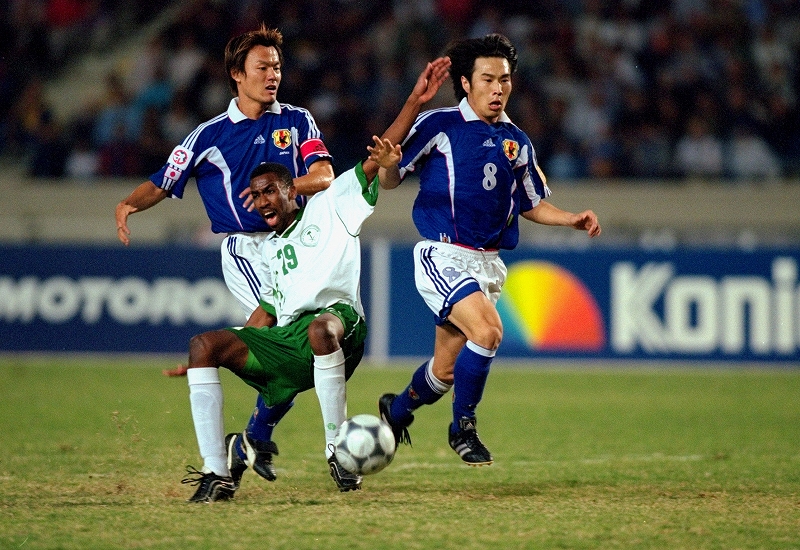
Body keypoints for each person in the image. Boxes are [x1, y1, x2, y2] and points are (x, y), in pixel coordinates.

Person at [180, 57, 452, 502]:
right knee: (203, 345)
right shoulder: (268, 249)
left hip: (342, 328)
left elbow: (375, 159)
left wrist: (412, 102)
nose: (262, 201)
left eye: (270, 191)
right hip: (291, 343)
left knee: (319, 326)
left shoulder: (334, 203)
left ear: (293, 189)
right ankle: (217, 473)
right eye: (256, 195)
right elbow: (269, 310)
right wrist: (212, 359)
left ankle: (337, 452)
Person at [377, 34, 601, 467]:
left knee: (443, 373)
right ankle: (462, 427)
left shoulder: (516, 140)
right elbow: (391, 179)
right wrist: (387, 167)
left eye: (505, 80)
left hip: (488, 264)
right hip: (443, 254)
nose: (498, 88)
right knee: (489, 331)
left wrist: (570, 218)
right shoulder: (439, 126)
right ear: (465, 82)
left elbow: (532, 203)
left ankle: (397, 410)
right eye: (488, 79)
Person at [115, 23, 335, 319]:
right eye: (263, 68)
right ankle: (212, 355)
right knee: (282, 324)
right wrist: (128, 204)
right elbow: (161, 183)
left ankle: (213, 356)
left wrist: (283, 188)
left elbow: (324, 176)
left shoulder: (297, 120)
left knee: (310, 335)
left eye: (277, 67)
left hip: (298, 241)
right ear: (237, 74)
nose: (273, 76)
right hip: (247, 250)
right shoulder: (208, 136)